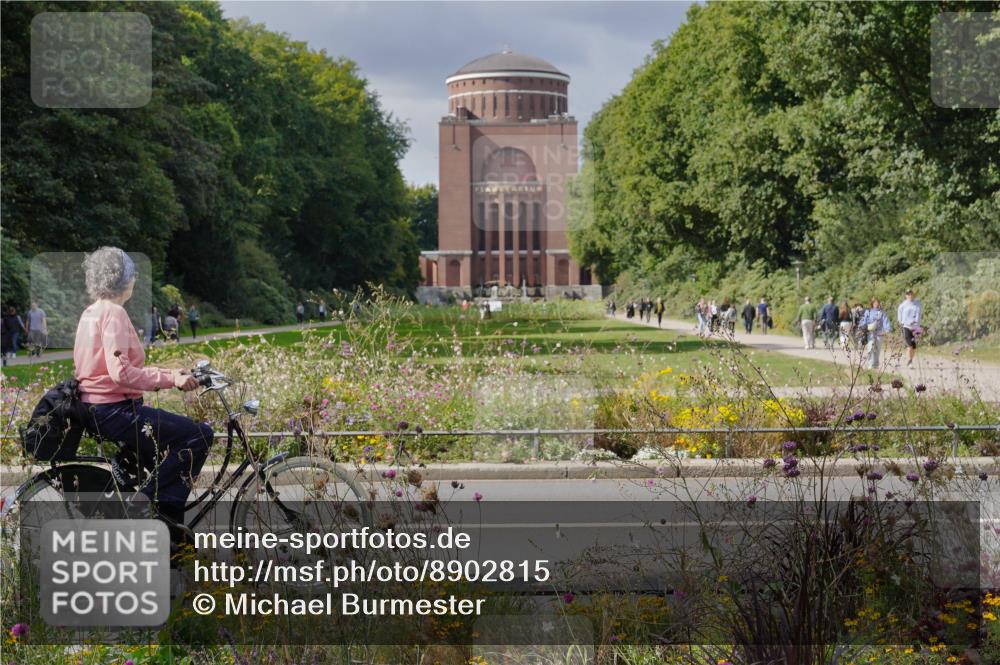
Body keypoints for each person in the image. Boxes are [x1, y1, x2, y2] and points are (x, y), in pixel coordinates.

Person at [74, 247, 212, 527]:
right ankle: (143, 504)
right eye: (132, 274)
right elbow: (120, 372)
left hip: (96, 408)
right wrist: (170, 380)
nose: (135, 279)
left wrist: (171, 373)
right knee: (199, 435)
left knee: (159, 465)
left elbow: (112, 368)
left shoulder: (91, 312)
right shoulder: (114, 312)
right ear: (123, 279)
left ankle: (168, 534)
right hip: (114, 410)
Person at [859, 298, 891, 369]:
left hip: (879, 333)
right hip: (870, 333)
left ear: (879, 304)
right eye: (875, 303)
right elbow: (864, 321)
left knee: (877, 349)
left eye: (877, 303)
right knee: (870, 348)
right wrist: (862, 328)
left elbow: (886, 322)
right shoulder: (868, 311)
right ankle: (870, 364)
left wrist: (887, 330)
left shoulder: (882, 313)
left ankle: (876, 364)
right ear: (872, 304)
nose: (876, 304)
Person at [897, 289, 922, 367]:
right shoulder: (903, 305)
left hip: (915, 327)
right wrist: (901, 322)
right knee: (909, 345)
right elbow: (899, 313)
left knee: (914, 346)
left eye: (911, 294)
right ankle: (909, 361)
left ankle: (911, 359)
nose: (909, 296)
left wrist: (918, 325)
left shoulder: (917, 303)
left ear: (913, 294)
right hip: (906, 326)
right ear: (906, 296)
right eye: (908, 294)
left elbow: (920, 313)